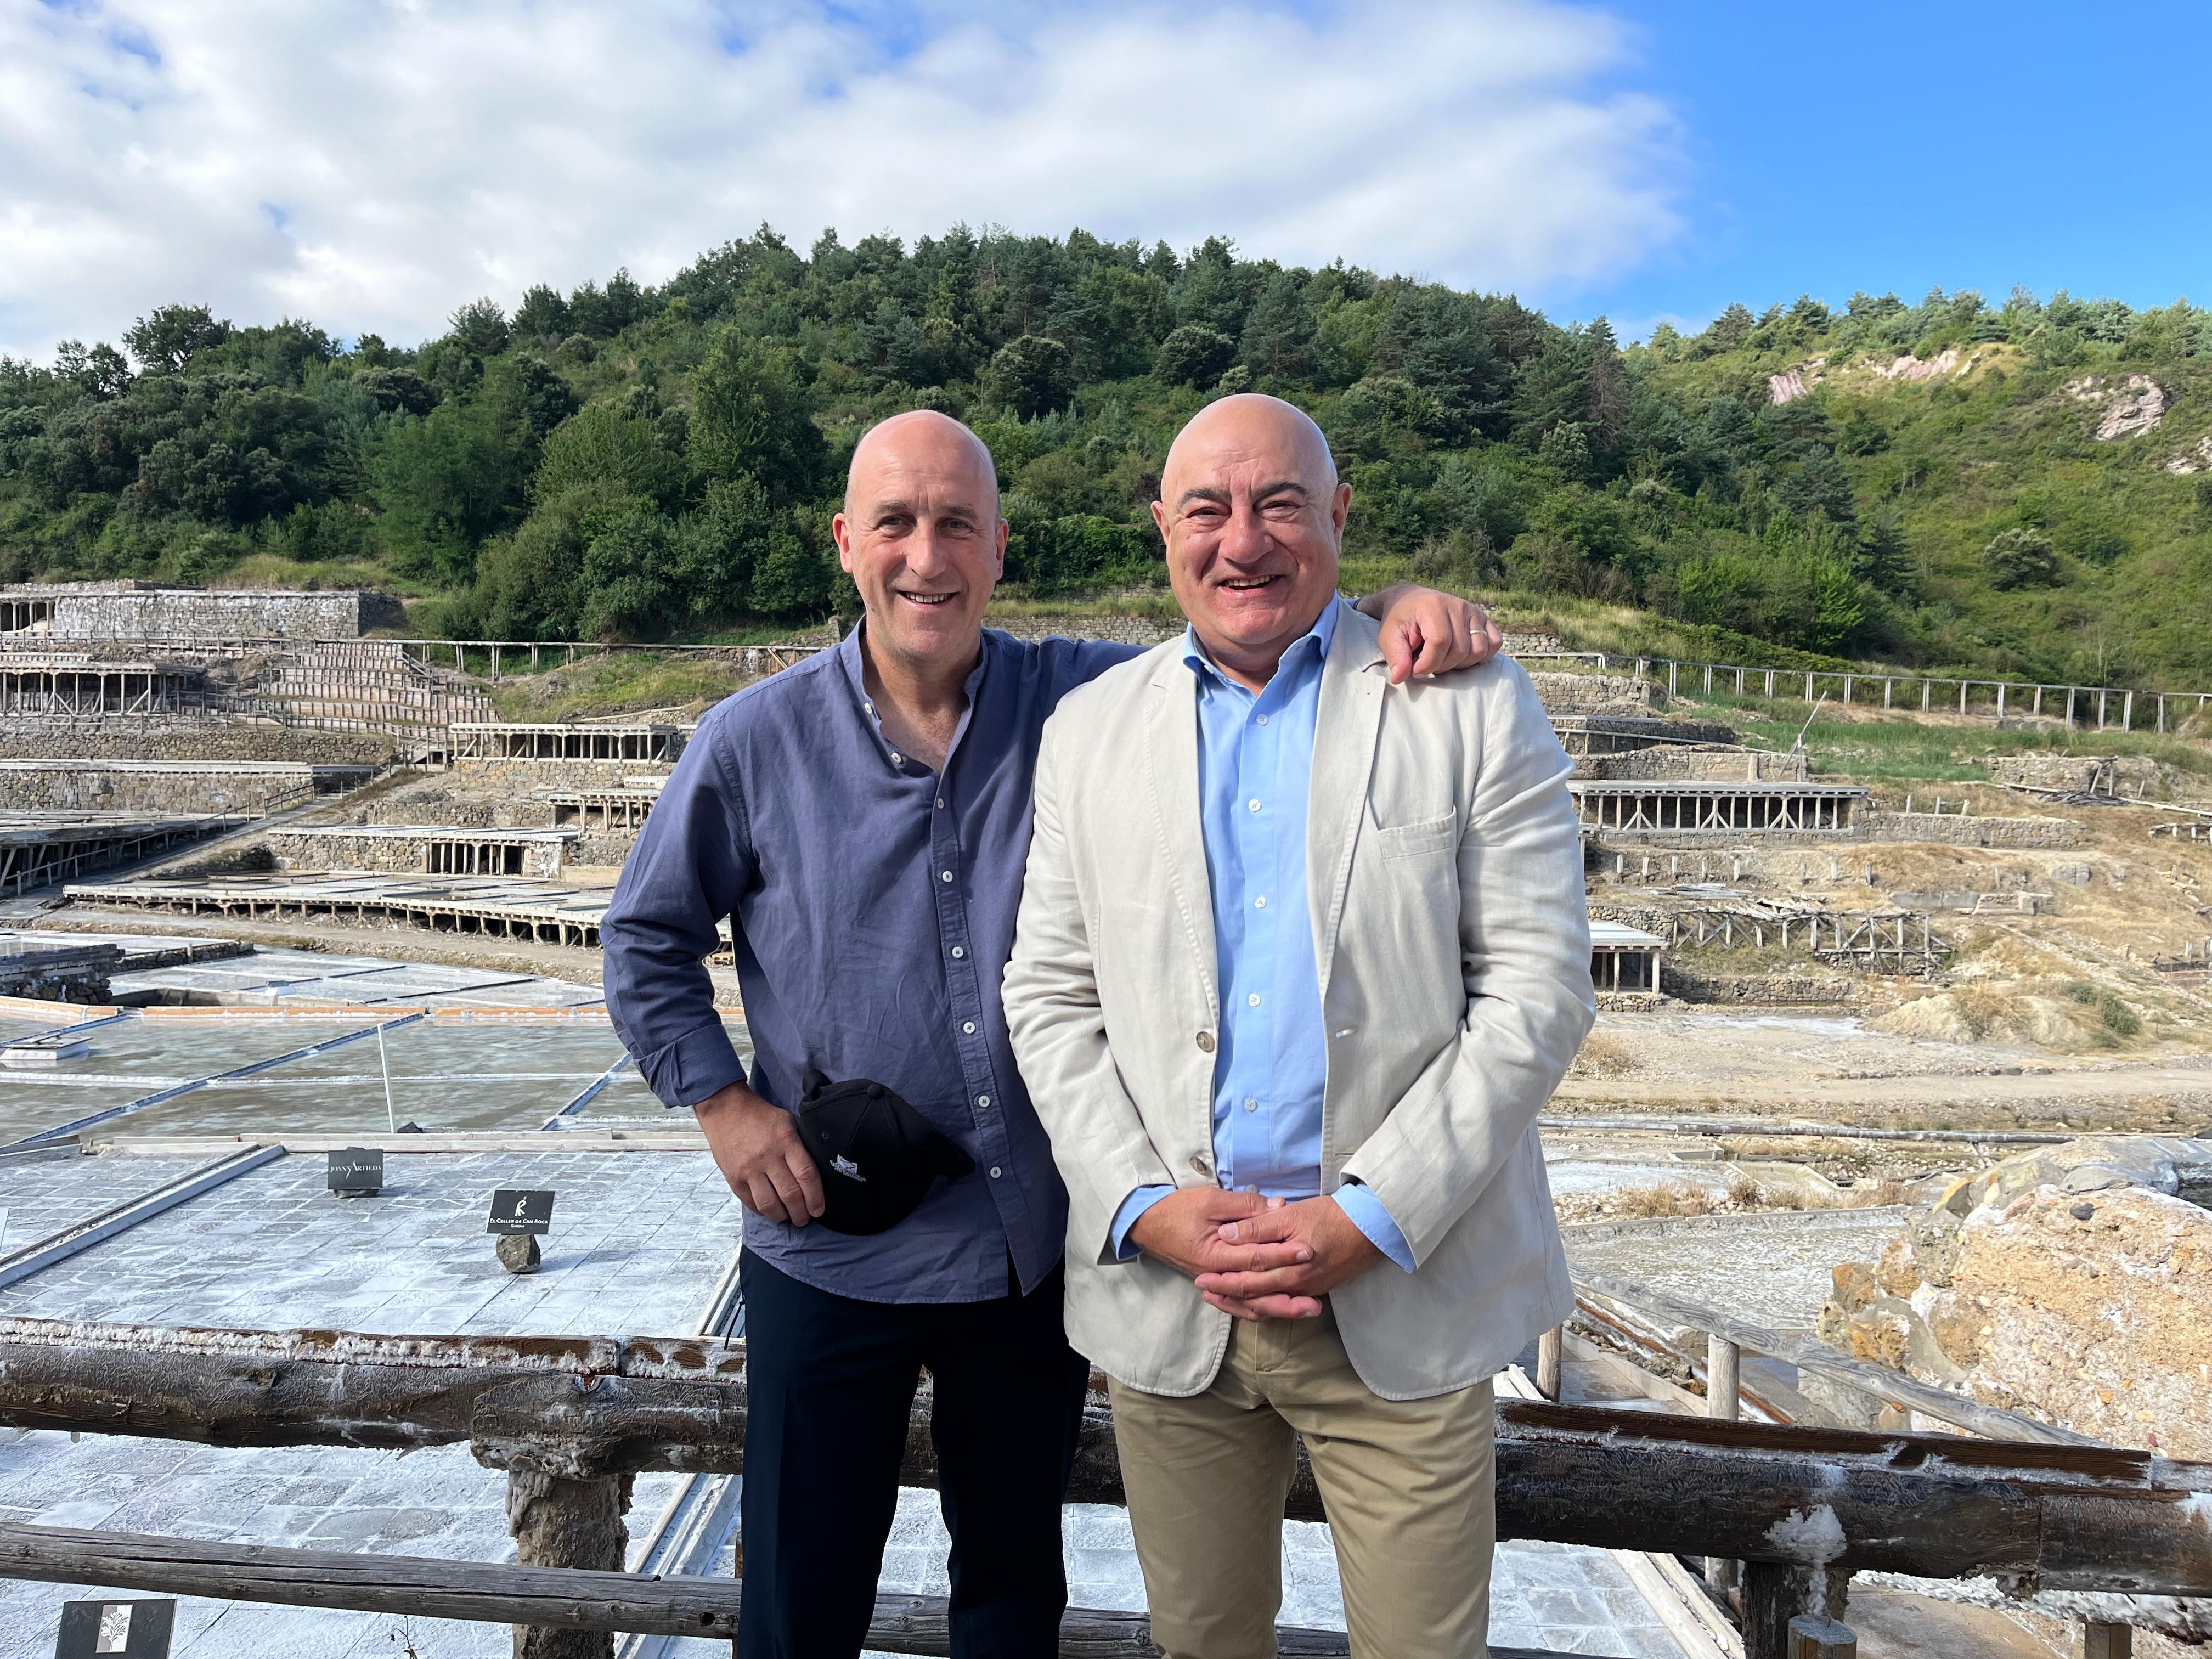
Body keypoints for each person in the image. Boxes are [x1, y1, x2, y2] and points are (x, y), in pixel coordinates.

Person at [599, 406, 1500, 1659]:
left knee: (1015, 1589)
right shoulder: (753, 742)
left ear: (1001, 547)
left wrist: (1398, 600)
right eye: (899, 525)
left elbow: (1246, 613)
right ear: (846, 543)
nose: (928, 557)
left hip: (1021, 1247)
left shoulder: (1083, 696)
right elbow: (644, 939)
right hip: (827, 1243)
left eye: (957, 524)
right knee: (799, 1598)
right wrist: (722, 1106)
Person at [1003, 394, 1594, 1659]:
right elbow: (1047, 998)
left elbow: (1538, 989)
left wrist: (1371, 1217)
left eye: (1279, 503)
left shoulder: (1469, 705)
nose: (1243, 540)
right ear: (1163, 531)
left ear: (1338, 517)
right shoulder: (1089, 733)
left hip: (1402, 1298)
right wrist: (1140, 1203)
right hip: (1178, 1303)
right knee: (1203, 1644)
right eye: (1207, 509)